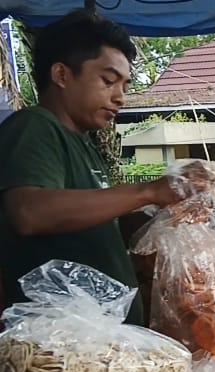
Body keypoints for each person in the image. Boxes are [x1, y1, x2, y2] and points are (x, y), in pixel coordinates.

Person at [0, 10, 180, 326]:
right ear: (61, 75)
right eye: (108, 81)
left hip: (104, 345)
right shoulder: (33, 127)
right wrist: (147, 190)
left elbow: (95, 223)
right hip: (59, 347)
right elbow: (30, 212)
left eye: (124, 85)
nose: (120, 97)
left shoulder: (83, 142)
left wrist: (169, 219)